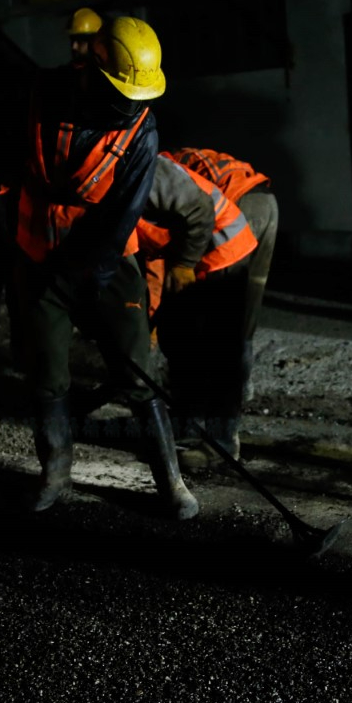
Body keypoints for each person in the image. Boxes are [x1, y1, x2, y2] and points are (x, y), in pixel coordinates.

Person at [13, 16, 199, 520]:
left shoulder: (142, 129)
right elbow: (4, 152)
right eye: (122, 91)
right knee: (47, 376)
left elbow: (121, 217)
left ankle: (171, 483)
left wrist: (89, 281)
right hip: (39, 257)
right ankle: (54, 474)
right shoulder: (43, 92)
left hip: (107, 264)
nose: (131, 104)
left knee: (136, 375)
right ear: (91, 68)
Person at [137, 151, 261, 468]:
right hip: (191, 253)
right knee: (179, 340)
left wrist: (183, 265)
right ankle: (187, 426)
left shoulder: (138, 170)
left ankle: (221, 445)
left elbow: (201, 211)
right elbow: (149, 259)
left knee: (223, 350)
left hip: (224, 247)